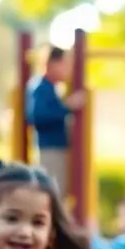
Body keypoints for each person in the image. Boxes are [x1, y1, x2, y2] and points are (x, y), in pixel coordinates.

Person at [26, 45, 83, 201]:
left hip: (55, 146)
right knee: (52, 192)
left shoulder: (49, 87)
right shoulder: (41, 87)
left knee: (57, 191)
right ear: (52, 64)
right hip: (50, 147)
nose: (68, 69)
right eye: (64, 64)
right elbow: (36, 116)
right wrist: (66, 108)